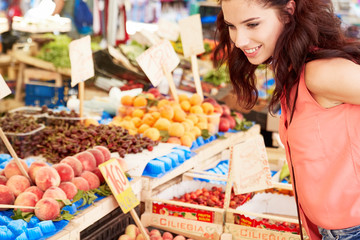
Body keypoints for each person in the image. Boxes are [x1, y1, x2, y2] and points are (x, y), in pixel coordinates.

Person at [214, 0, 360, 239]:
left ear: (288, 12)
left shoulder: (320, 73)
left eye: (252, 24)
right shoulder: (294, 70)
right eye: (232, 26)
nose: (239, 40)